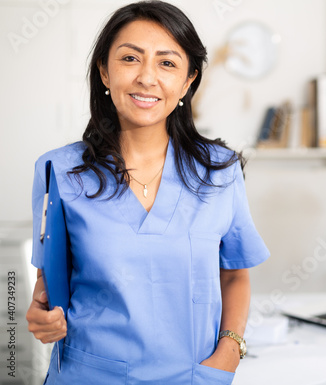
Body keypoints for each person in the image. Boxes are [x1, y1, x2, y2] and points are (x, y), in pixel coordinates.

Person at [25, 1, 269, 384]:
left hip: (193, 376)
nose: (147, 77)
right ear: (105, 72)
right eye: (130, 59)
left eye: (167, 63)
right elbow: (49, 280)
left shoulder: (220, 172)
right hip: (88, 374)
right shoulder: (60, 171)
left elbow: (235, 273)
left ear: (188, 81)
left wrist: (230, 351)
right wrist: (41, 316)